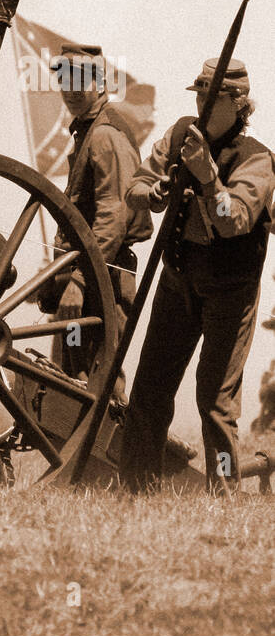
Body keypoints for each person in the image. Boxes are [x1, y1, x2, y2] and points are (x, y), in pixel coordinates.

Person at [121, 58, 275, 493]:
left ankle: (223, 495)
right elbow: (136, 186)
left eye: (213, 97)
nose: (203, 104)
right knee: (149, 390)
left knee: (215, 402)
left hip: (231, 289)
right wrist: (152, 192)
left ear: (239, 103)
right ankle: (136, 490)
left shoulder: (258, 158)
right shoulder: (179, 134)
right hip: (178, 277)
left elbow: (234, 220)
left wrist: (209, 179)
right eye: (199, 94)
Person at [39, 44, 152, 394]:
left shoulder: (104, 135)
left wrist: (80, 281)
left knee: (100, 385)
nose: (70, 91)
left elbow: (113, 217)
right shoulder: (87, 131)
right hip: (84, 274)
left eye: (80, 82)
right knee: (73, 381)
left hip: (104, 279)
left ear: (100, 83)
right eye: (64, 82)